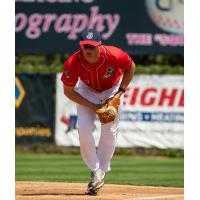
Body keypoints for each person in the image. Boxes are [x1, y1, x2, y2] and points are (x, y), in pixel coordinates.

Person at [61, 29, 136, 195]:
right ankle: (95, 170)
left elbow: (131, 67)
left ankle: (101, 170)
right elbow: (69, 91)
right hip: (87, 91)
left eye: (92, 46)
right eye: (85, 46)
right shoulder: (73, 62)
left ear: (99, 46)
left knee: (109, 129)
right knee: (84, 129)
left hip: (112, 89)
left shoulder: (115, 54)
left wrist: (119, 94)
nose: (88, 49)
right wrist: (94, 106)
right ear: (80, 46)